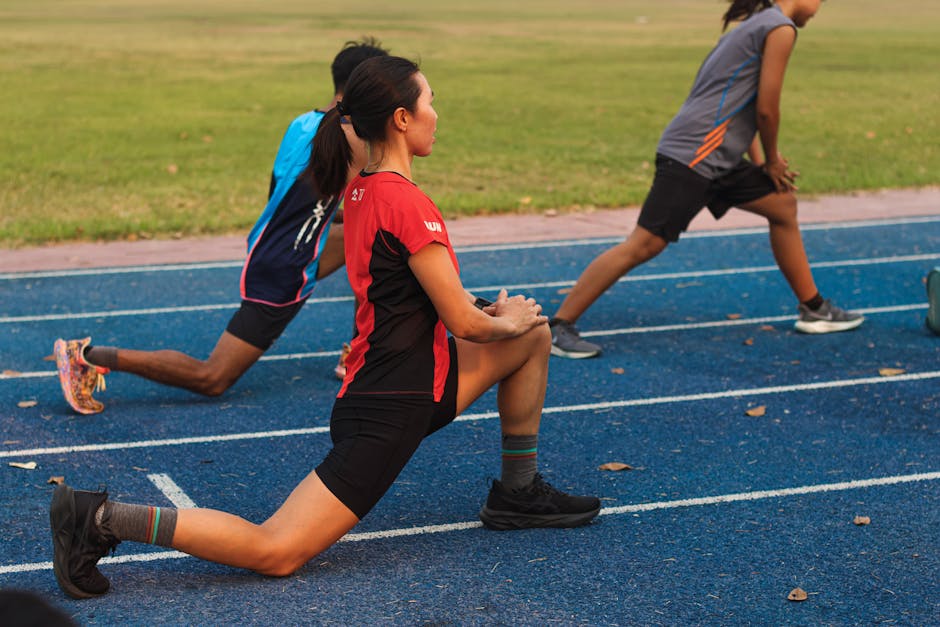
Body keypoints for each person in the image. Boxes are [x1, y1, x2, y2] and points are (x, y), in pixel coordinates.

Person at [49, 55, 601, 600]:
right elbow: (462, 322)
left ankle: (518, 492)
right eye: (430, 101)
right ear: (402, 119)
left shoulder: (362, 190)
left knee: (534, 339)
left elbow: (407, 288)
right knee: (277, 551)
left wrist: (507, 321)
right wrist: (506, 318)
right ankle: (100, 517)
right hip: (392, 405)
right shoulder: (408, 204)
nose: (438, 113)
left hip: (411, 382)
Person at [52, 38, 389, 414]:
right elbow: (363, 199)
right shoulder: (347, 140)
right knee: (212, 378)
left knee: (372, 237)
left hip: (272, 243)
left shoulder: (305, 123)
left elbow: (286, 194)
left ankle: (359, 353)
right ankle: (87, 356)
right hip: (283, 269)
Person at [549, 0, 864, 359]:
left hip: (718, 157)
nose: (820, 7)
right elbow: (766, 108)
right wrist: (774, 160)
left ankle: (815, 309)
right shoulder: (779, 28)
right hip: (695, 154)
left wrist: (761, 166)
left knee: (782, 206)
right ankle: (558, 326)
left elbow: (740, 104)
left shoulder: (755, 24)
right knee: (645, 244)